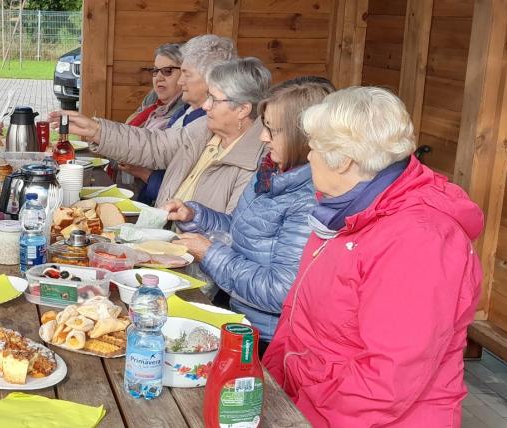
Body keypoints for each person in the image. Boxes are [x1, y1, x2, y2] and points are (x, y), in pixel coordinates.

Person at [262, 86, 483, 426]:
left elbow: (385, 383)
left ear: (344, 160)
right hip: (307, 403)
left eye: (314, 147)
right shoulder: (346, 210)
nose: (309, 157)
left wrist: (294, 416)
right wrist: (272, 387)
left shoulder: (419, 241)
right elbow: (297, 320)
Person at [162, 77, 335, 355]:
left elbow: (280, 292)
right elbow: (242, 232)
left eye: (272, 130)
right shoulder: (270, 173)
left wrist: (210, 254)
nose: (263, 137)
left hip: (267, 341)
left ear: (303, 137)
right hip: (238, 316)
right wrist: (196, 216)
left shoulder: (308, 200)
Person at [53, 57, 270, 213]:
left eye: (214, 99)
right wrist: (95, 130)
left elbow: (232, 234)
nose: (206, 106)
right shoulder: (204, 128)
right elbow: (154, 145)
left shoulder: (259, 163)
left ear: (243, 109)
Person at [117, 42, 188, 205]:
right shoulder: (153, 100)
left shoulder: (186, 113)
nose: (159, 78)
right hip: (132, 188)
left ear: (185, 74)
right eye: (155, 71)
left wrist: (141, 172)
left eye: (167, 71)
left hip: (156, 201)